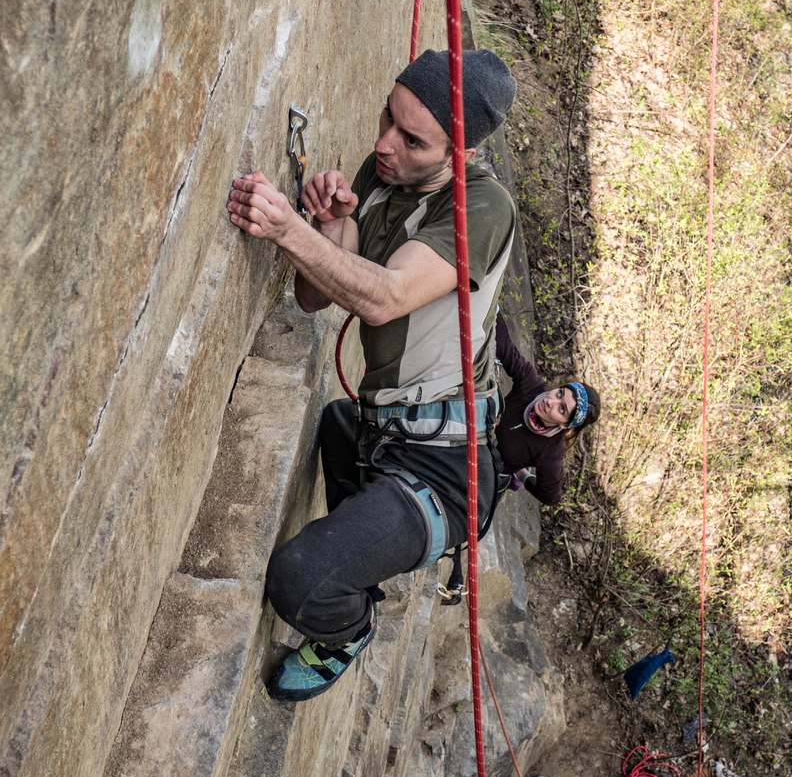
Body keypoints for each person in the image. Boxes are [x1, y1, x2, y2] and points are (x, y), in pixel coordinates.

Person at [227, 48, 517, 701]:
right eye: (388, 118)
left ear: (463, 155)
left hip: (447, 473)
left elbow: (385, 297)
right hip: (385, 435)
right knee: (336, 424)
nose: (385, 145)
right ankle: (362, 549)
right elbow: (314, 297)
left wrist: (287, 228)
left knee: (299, 578)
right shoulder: (386, 172)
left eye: (413, 140)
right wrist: (332, 228)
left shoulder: (483, 208)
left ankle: (347, 628)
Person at [493, 311, 597, 505]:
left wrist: (522, 476)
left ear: (567, 425)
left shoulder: (551, 452)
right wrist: (491, 303)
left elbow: (550, 497)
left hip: (484, 472)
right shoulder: (531, 386)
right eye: (559, 394)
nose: (551, 402)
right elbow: (504, 345)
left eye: (562, 409)